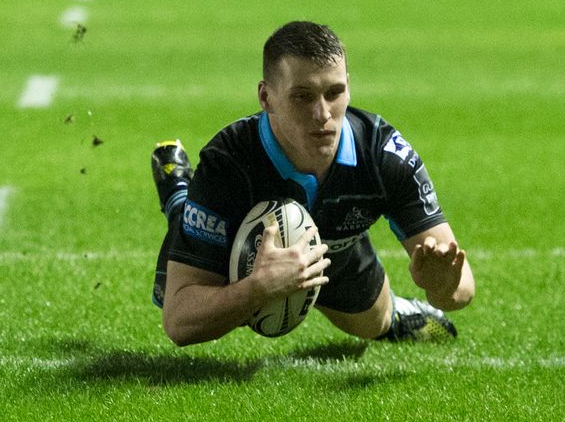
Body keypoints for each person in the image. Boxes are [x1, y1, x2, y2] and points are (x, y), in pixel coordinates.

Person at [151, 21, 474, 347]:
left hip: (334, 249)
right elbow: (180, 323)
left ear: (348, 86)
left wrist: (443, 286)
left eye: (334, 93)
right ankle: (181, 197)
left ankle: (398, 315)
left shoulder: (384, 155)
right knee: (213, 287)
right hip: (237, 240)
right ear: (266, 97)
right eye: (303, 96)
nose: (322, 114)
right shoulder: (229, 161)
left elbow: (462, 290)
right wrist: (259, 287)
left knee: (373, 322)